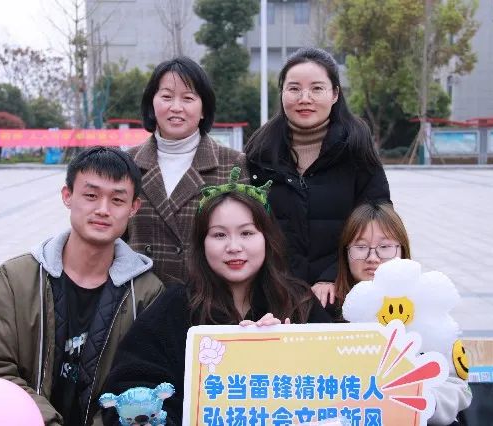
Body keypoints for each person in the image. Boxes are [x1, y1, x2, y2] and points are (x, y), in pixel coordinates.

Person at [100, 168, 331, 425]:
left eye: (247, 233)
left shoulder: (298, 302)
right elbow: (131, 387)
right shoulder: (175, 307)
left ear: (267, 238)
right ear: (202, 243)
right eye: (219, 235)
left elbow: (340, 377)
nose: (234, 247)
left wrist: (294, 350)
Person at [0, 147, 165, 426]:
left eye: (117, 199)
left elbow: (144, 385)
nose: (103, 209)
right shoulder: (15, 279)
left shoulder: (147, 293)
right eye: (91, 195)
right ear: (67, 196)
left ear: (133, 208)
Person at [244, 47, 390, 308]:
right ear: (282, 93)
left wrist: (334, 275)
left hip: (343, 294)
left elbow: (377, 222)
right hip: (273, 293)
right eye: (294, 88)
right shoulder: (261, 150)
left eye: (317, 89)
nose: (305, 98)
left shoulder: (356, 147)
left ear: (335, 94)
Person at [334, 201, 471, 425]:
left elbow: (459, 388)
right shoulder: (328, 311)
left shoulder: (429, 309)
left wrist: (422, 402)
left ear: (402, 250)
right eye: (360, 246)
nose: (372, 257)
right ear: (346, 253)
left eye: (385, 247)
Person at [127, 56, 247, 284]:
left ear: (203, 109)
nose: (176, 107)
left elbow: (246, 238)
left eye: (188, 98)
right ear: (152, 103)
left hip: (209, 294)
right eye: (166, 96)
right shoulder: (127, 164)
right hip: (140, 294)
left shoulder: (233, 164)